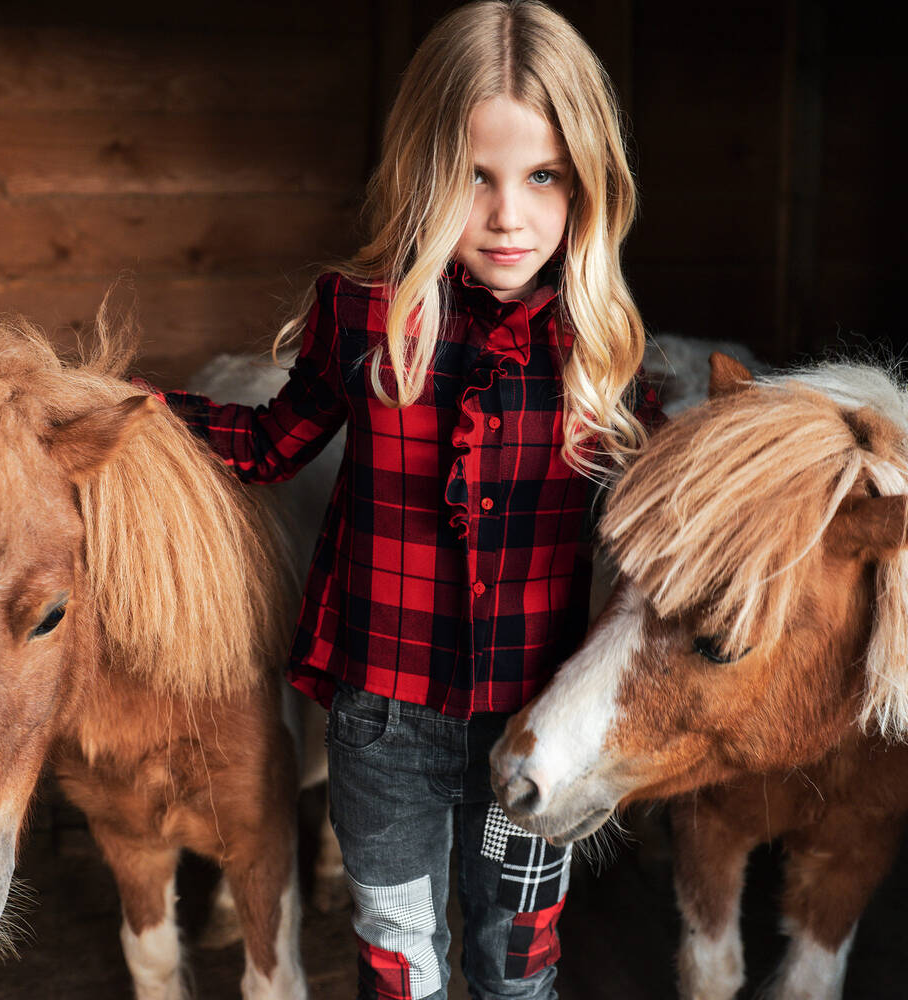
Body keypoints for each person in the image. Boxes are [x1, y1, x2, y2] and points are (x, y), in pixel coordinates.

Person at [156, 2, 662, 996]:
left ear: (587, 182)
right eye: (475, 175)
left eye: (543, 176)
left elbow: (644, 532)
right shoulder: (364, 316)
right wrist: (136, 411)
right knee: (399, 963)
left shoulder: (601, 346)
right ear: (424, 171)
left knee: (517, 965)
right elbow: (267, 445)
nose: (508, 215)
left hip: (537, 727)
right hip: (382, 722)